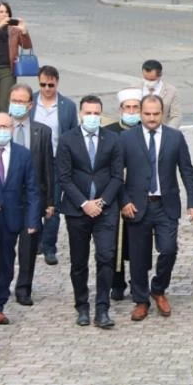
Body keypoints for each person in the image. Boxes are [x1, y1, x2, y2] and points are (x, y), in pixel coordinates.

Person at [119, 95, 193, 322]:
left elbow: (186, 170)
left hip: (166, 205)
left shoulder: (175, 137)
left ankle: (159, 288)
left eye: (155, 114)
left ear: (162, 113)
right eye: (147, 114)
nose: (151, 118)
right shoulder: (127, 138)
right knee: (138, 256)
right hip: (137, 205)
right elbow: (116, 174)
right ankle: (141, 299)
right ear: (140, 113)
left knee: (168, 249)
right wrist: (124, 201)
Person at [56, 95, 124, 329]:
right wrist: (85, 203)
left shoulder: (112, 140)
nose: (92, 117)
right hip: (77, 210)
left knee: (106, 257)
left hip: (106, 210)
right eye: (88, 113)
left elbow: (117, 175)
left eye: (96, 113)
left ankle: (102, 308)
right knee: (79, 261)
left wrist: (102, 202)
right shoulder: (67, 140)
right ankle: (82, 305)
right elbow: (64, 177)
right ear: (80, 114)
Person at [0, 113, 41, 326]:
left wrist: (32, 220)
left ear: (12, 129)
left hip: (11, 216)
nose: (2, 130)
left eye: (6, 126)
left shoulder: (23, 154)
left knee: (6, 263)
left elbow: (32, 188)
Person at [7, 85, 54, 307]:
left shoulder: (42, 131)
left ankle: (24, 288)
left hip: (31, 200)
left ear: (30, 104)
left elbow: (47, 168)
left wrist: (50, 202)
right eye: (14, 100)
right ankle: (2, 283)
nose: (17, 105)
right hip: (6, 200)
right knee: (5, 248)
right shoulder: (1, 126)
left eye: (21, 101)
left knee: (28, 249)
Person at [32, 65, 78, 266]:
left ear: (57, 83)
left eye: (51, 85)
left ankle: (50, 247)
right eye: (43, 85)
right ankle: (37, 240)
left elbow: (72, 135)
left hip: (57, 161)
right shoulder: (30, 102)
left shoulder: (67, 106)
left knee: (54, 205)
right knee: (34, 200)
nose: (47, 89)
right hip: (34, 159)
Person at [102, 88, 142, 300]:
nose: (132, 111)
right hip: (113, 192)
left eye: (136, 107)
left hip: (138, 192)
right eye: (128, 107)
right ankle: (117, 282)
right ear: (121, 109)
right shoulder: (109, 132)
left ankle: (138, 282)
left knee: (137, 242)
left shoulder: (146, 130)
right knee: (113, 241)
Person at [0, 1, 32, 120]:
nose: (4, 14)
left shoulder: (14, 29)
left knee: (4, 106)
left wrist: (24, 32)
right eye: (1, 12)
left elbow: (27, 46)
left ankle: (0, 125)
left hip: (7, 71)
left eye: (6, 11)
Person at [141, 59, 182, 128]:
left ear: (160, 75)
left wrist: (168, 133)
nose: (147, 81)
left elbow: (176, 116)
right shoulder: (135, 88)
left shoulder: (171, 91)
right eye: (145, 78)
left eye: (151, 79)